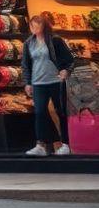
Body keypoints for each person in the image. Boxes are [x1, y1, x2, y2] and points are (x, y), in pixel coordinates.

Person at [22, 14, 75, 156]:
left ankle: (67, 144)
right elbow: (26, 64)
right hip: (38, 82)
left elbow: (69, 59)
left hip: (55, 81)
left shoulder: (55, 40)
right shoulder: (29, 43)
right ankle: (41, 144)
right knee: (40, 112)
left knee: (61, 112)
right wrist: (28, 82)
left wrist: (65, 71)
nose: (34, 28)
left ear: (44, 25)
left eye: (37, 25)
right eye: (32, 25)